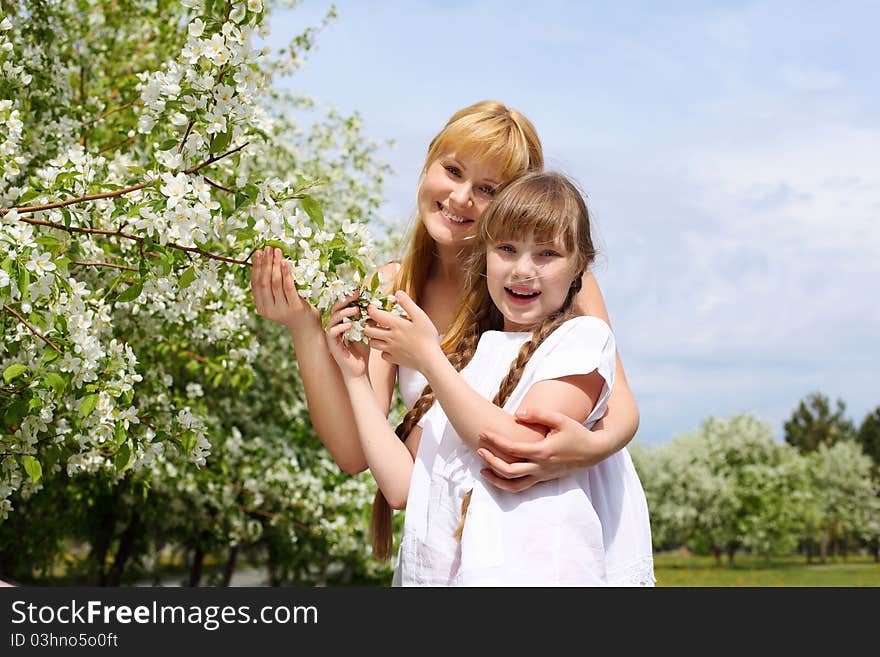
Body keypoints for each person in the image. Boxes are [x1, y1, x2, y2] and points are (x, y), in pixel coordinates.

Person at [250, 100, 640, 495]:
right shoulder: (391, 289)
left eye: (488, 189)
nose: (460, 197)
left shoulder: (553, 282)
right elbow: (354, 453)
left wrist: (586, 449)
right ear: (429, 162)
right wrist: (304, 329)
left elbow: (620, 403)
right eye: (452, 171)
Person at [327, 171, 654, 585]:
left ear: (580, 268)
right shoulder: (469, 360)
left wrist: (429, 358)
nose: (522, 269)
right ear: (485, 256)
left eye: (547, 254)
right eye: (506, 249)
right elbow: (401, 487)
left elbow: (520, 445)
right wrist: (355, 376)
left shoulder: (581, 340)